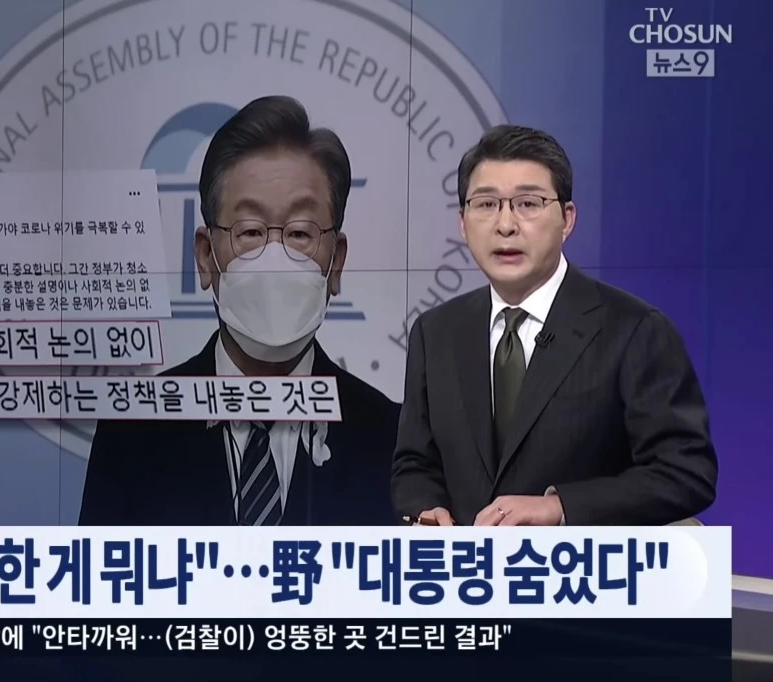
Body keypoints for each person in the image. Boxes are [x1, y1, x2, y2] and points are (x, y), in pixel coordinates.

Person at [80, 96, 400, 526]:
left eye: (300, 233)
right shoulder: (133, 433)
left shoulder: (393, 440)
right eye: (250, 231)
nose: (274, 259)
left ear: (336, 262)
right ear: (205, 256)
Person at [391, 124, 717, 527]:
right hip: (467, 565)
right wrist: (425, 507)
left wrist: (560, 507)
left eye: (528, 203)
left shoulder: (634, 330)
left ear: (567, 219)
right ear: (462, 222)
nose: (505, 225)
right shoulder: (435, 332)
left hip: (584, 565)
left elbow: (686, 472)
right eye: (486, 204)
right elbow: (415, 463)